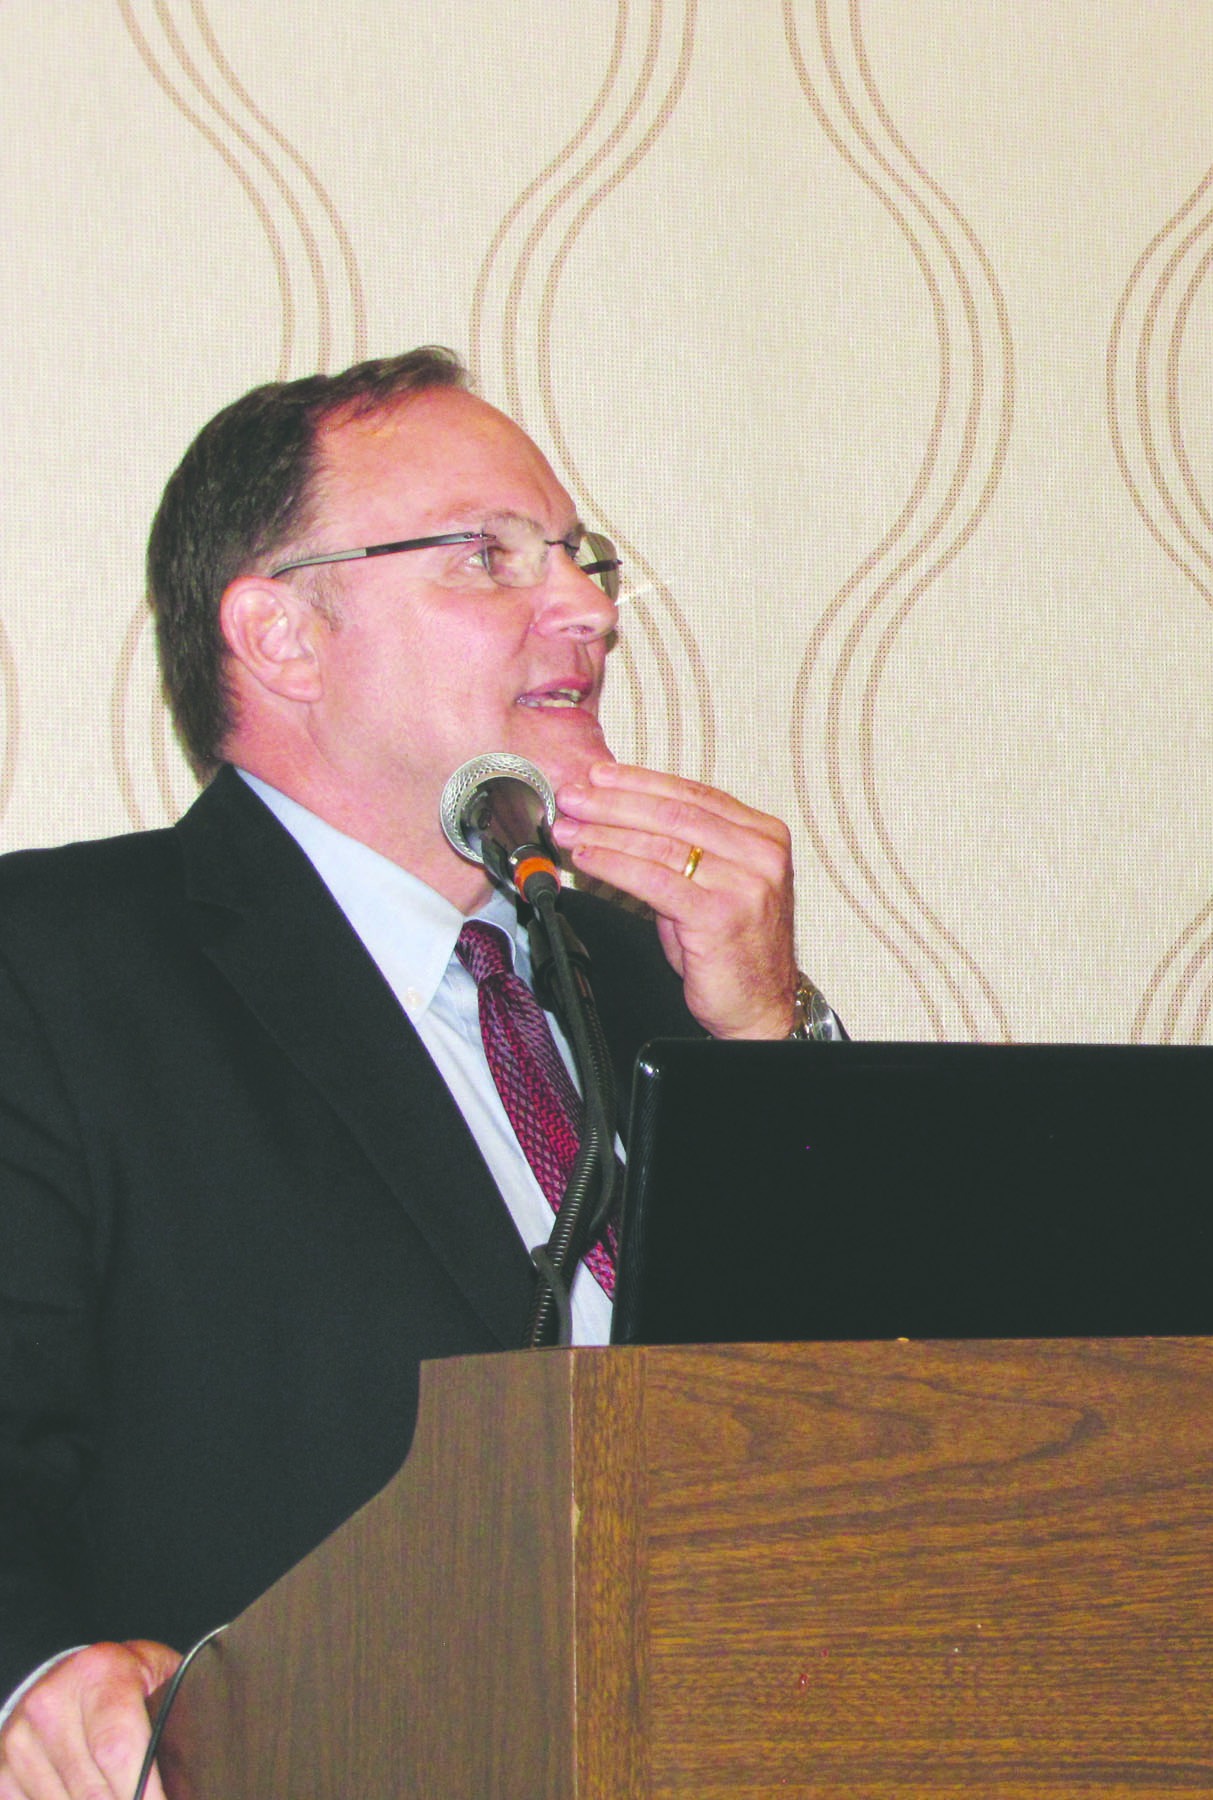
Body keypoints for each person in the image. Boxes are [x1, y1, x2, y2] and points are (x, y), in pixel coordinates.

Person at [0, 349, 839, 1798]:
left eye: (581, 562)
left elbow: (865, 1421)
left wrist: (767, 1042)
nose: (584, 610)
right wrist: (42, 1670)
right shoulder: (55, 966)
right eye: (486, 558)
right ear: (281, 636)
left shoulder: (658, 976)